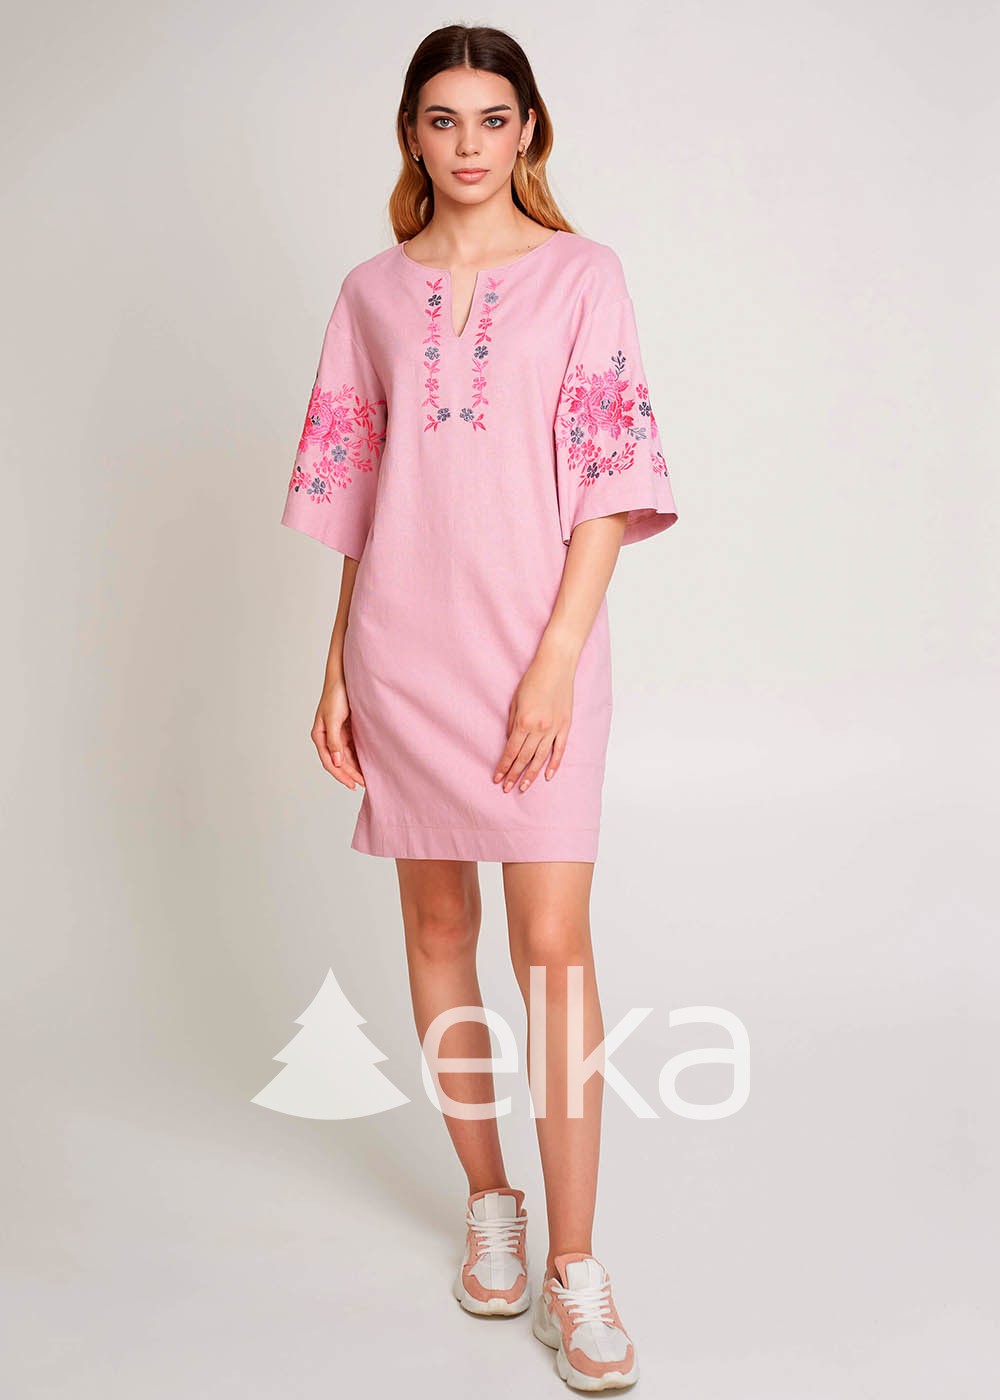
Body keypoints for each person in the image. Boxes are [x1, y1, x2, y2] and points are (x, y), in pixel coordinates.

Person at [280, 24, 679, 1393]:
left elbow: (610, 486)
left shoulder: (583, 276)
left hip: (535, 653)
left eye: (492, 119)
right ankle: (488, 1202)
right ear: (413, 133)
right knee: (438, 928)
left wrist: (557, 658)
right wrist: (336, 665)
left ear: (529, 131)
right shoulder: (370, 293)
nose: (468, 144)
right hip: (402, 649)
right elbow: (356, 494)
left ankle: (576, 1265)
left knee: (553, 946)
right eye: (443, 119)